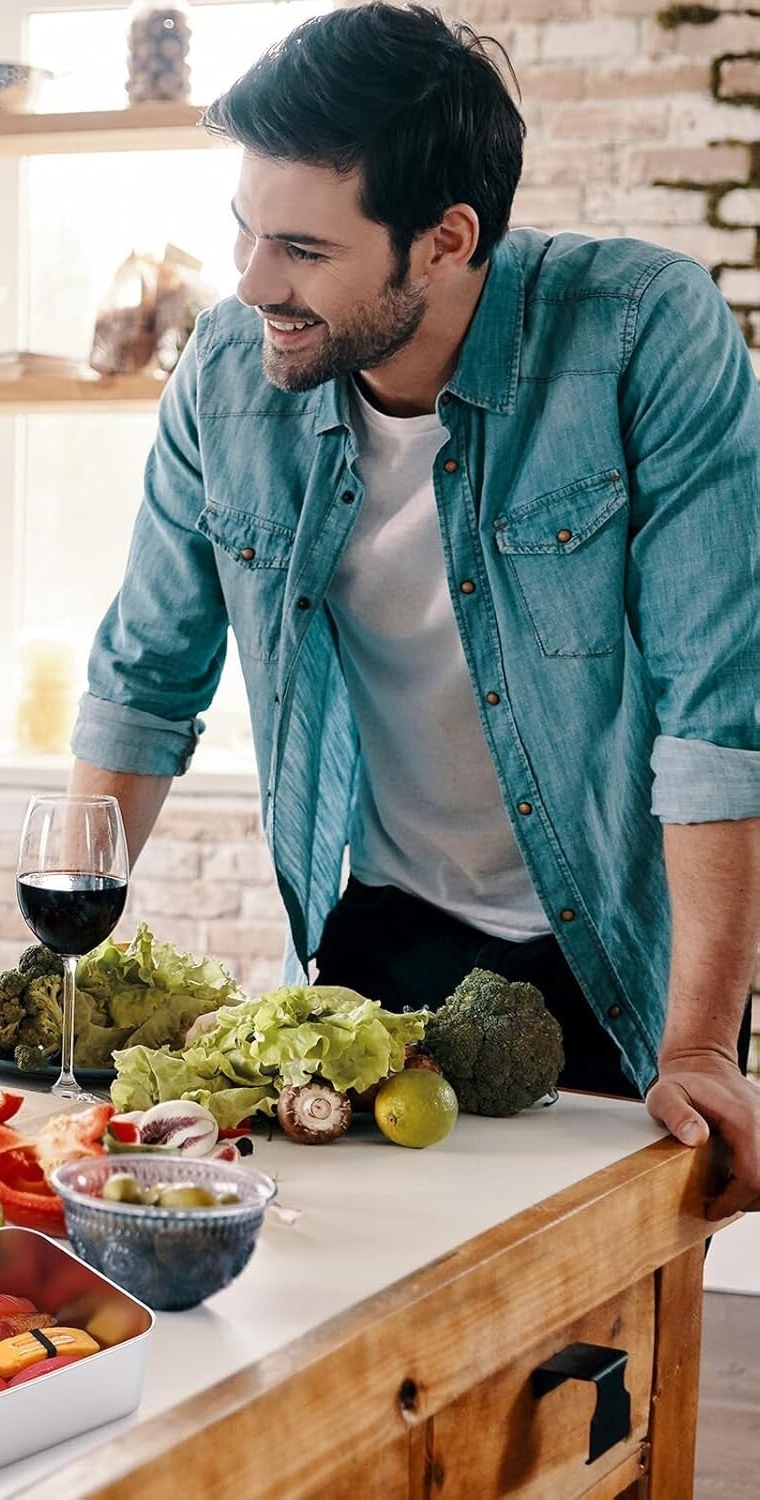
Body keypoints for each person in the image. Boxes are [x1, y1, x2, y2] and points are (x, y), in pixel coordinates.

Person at [69, 5, 760, 1216]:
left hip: (606, 948)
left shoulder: (643, 331)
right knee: (350, 1290)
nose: (250, 283)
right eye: (243, 230)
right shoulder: (229, 377)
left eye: (301, 248)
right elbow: (144, 680)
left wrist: (702, 1045)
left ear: (445, 240)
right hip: (375, 933)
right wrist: (60, 978)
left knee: (584, 1353)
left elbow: (722, 714)